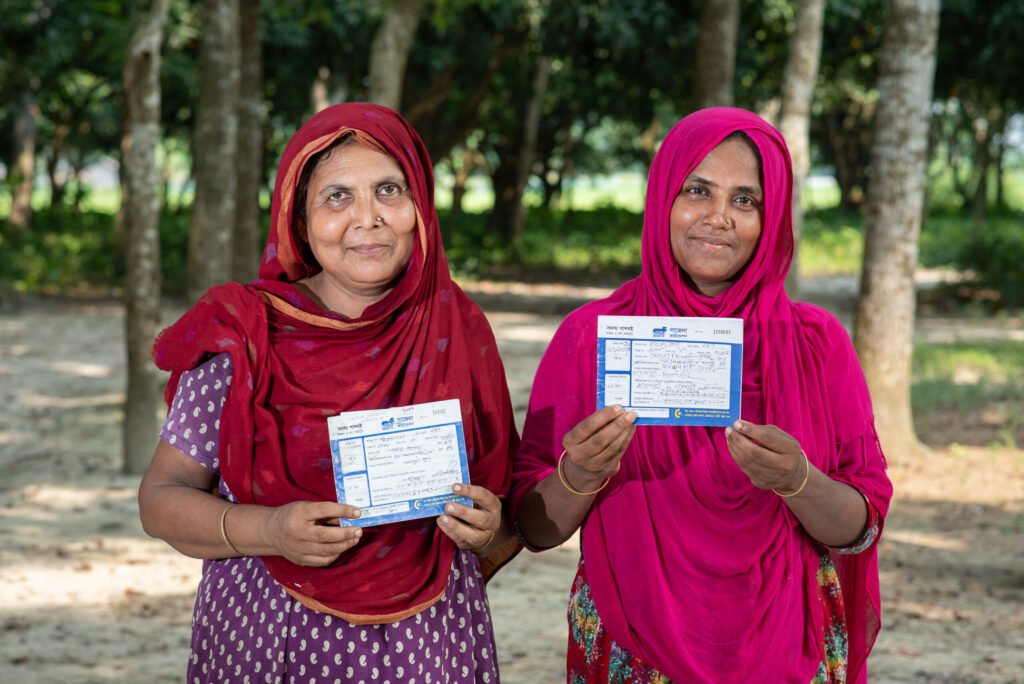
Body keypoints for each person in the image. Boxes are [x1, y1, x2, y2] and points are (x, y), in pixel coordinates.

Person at [138, 103, 520, 683]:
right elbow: (160, 500)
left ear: (420, 207)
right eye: (337, 197)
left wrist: (487, 525)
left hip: (429, 640)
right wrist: (267, 530)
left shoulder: (457, 328)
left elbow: (502, 502)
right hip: (270, 636)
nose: (367, 218)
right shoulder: (246, 334)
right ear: (300, 217)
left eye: (389, 190)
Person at [510, 108, 893, 684]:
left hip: (787, 649)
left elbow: (861, 524)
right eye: (697, 190)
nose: (718, 218)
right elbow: (534, 529)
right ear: (663, 196)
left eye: (745, 201)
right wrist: (579, 476)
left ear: (773, 219)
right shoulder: (591, 337)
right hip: (631, 645)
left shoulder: (816, 344)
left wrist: (798, 481)